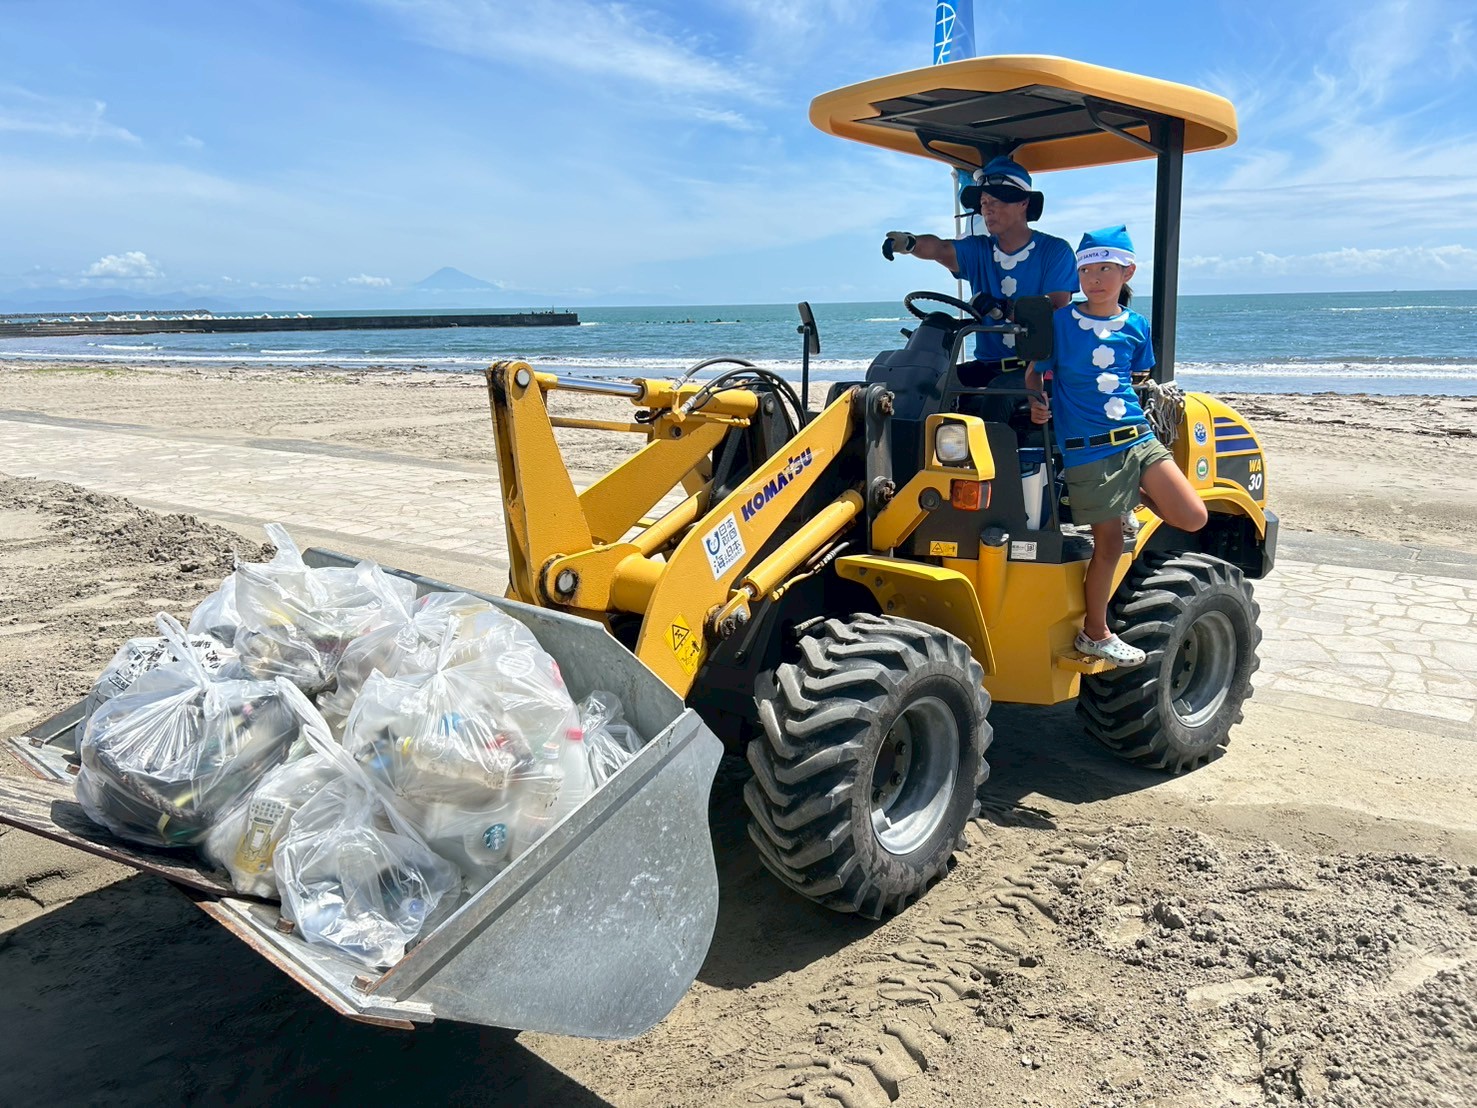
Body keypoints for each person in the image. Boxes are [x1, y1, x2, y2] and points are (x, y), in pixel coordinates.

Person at [1026, 226, 1208, 667]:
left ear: (1127, 272)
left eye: (1105, 269)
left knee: (1193, 516)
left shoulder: (1137, 325)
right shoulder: (1060, 322)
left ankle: (1130, 495)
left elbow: (1136, 375)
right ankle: (1096, 633)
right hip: (1088, 450)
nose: (1095, 279)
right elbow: (1035, 373)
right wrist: (1037, 401)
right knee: (1107, 545)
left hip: (1137, 437)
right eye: (1086, 270)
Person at [881, 155, 1077, 386]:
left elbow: (1054, 311)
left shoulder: (1055, 251)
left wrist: (1003, 309)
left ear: (1023, 203)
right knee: (926, 386)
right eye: (984, 203)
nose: (987, 209)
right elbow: (940, 248)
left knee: (995, 398)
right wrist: (910, 243)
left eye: (996, 201)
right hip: (987, 366)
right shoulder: (979, 250)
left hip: (1039, 371)